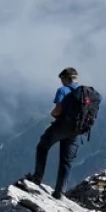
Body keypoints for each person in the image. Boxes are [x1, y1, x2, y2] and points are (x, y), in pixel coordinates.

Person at [28, 67, 82, 199]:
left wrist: (52, 114)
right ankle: (60, 191)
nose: (61, 82)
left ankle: (37, 178)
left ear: (65, 78)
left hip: (62, 126)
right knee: (66, 160)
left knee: (42, 146)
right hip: (77, 129)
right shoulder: (84, 92)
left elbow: (58, 110)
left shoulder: (63, 90)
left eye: (62, 79)